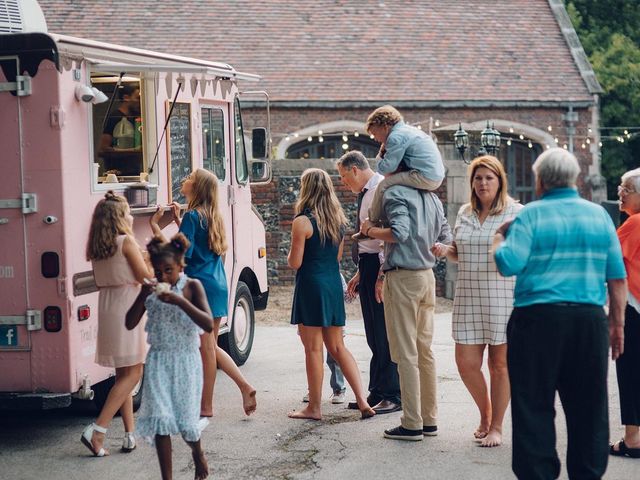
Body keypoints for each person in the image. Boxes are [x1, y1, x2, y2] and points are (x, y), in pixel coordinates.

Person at [492, 148, 627, 479]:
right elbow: (617, 276)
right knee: (589, 409)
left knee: (533, 406)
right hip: (587, 321)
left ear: (540, 181)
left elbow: (508, 263)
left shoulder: (529, 216)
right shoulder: (599, 217)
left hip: (535, 322)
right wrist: (617, 324)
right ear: (574, 179)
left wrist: (498, 239)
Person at [151, 169, 257, 418]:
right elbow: (198, 246)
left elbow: (176, 256)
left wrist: (156, 226)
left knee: (206, 348)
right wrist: (179, 222)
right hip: (217, 285)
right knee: (208, 344)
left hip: (200, 289)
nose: (184, 180)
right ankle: (245, 386)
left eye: (189, 178)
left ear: (196, 189)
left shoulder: (192, 217)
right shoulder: (211, 216)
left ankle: (206, 406)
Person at [432, 155, 522, 447]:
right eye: (478, 178)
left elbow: (521, 256)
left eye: (489, 178)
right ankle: (485, 413)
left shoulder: (515, 212)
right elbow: (461, 251)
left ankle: (496, 426)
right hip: (469, 296)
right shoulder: (464, 212)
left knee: (500, 366)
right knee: (466, 363)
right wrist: (446, 250)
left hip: (503, 297)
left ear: (500, 181)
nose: (483, 183)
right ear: (472, 182)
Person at [360, 184, 452, 441]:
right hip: (426, 277)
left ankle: (412, 423)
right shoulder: (432, 197)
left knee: (405, 352)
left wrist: (369, 230)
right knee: (425, 351)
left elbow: (399, 232)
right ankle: (429, 420)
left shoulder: (396, 193)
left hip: (403, 277)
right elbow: (446, 238)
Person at [288, 168, 375, 421]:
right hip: (331, 285)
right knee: (338, 346)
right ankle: (362, 401)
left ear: (306, 189)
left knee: (313, 350)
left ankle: (314, 408)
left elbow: (295, 262)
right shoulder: (338, 222)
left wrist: (291, 255)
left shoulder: (302, 222)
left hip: (311, 286)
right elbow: (337, 258)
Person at [126, 233, 212, 480]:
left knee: (186, 424)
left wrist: (179, 301)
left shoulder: (192, 287)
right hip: (158, 362)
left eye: (168, 270)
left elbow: (207, 324)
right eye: (157, 271)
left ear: (181, 266)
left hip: (186, 362)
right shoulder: (151, 292)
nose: (162, 276)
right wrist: (143, 295)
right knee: (161, 422)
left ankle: (198, 452)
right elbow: (129, 323)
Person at [80, 191, 153, 457]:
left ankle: (129, 435)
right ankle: (97, 431)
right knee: (133, 374)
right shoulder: (127, 242)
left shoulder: (100, 247)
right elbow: (146, 279)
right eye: (128, 212)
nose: (132, 216)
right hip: (128, 306)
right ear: (119, 217)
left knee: (123, 375)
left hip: (109, 305)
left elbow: (103, 281)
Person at [336, 150, 402, 414]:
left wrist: (381, 274)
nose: (343, 183)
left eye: (343, 177)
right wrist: (361, 272)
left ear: (354, 170)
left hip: (379, 263)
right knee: (373, 334)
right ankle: (376, 390)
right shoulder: (365, 192)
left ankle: (392, 394)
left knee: (384, 333)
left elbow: (384, 238)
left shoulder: (377, 191)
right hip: (368, 264)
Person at [353, 105, 445, 240]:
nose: (375, 139)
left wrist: (379, 155)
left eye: (375, 133)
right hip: (434, 175)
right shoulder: (408, 130)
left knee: (382, 185)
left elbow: (386, 168)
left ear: (385, 126)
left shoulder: (395, 137)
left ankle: (371, 223)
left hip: (424, 176)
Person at [610, 168, 640, 459]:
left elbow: (609, 257)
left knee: (630, 371)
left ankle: (632, 439)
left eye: (626, 188)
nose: (620, 192)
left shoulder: (634, 224)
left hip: (634, 309)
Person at [99, 83, 142, 176]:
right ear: (126, 97)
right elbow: (104, 148)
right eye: (137, 98)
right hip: (117, 172)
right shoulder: (115, 117)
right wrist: (134, 150)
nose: (139, 102)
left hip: (135, 171)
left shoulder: (136, 118)